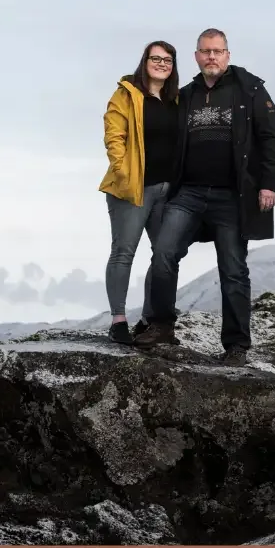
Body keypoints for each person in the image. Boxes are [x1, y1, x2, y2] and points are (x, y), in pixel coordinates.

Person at [136, 28, 275, 363]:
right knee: (163, 252)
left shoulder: (250, 90)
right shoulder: (186, 95)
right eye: (205, 51)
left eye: (218, 51)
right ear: (196, 56)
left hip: (232, 197)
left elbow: (271, 138)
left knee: (232, 269)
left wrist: (268, 184)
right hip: (187, 193)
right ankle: (161, 325)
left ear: (227, 55)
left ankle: (236, 345)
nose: (211, 57)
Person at [98, 41, 180, 345]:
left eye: (167, 60)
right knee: (123, 252)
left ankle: (150, 319)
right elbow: (113, 134)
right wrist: (123, 171)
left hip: (166, 190)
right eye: (155, 58)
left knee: (164, 255)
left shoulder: (176, 100)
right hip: (131, 189)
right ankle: (118, 320)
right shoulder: (127, 94)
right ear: (144, 61)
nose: (161, 63)